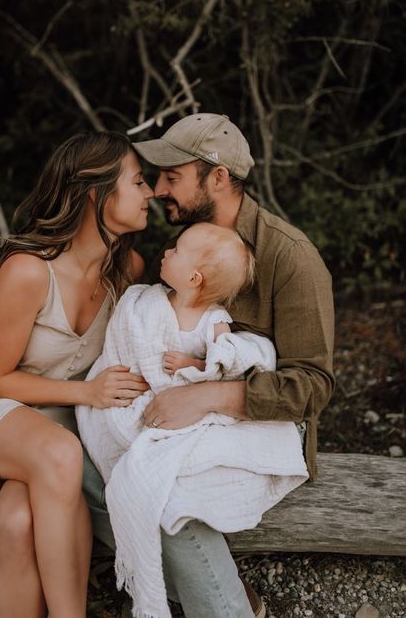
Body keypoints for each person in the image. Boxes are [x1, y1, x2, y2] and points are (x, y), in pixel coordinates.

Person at [83, 113, 335, 618]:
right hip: (170, 411)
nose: (157, 189)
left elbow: (313, 386)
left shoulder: (291, 258)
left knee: (164, 490)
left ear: (217, 178)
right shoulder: (184, 243)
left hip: (255, 425)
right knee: (84, 461)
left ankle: (229, 610)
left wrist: (205, 396)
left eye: (172, 177)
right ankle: (211, 592)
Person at [0, 131, 153, 618]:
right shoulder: (30, 270)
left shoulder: (127, 271)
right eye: (138, 182)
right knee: (58, 452)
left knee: (14, 521)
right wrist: (89, 392)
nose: (151, 193)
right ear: (96, 194)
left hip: (56, 417)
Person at [76, 222, 307, 618]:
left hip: (195, 412)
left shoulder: (213, 317)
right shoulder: (145, 302)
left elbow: (222, 360)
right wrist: (130, 374)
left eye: (176, 250)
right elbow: (129, 345)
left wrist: (194, 369)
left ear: (194, 277)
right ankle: (192, 587)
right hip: (144, 403)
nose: (166, 252)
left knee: (163, 487)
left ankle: (218, 601)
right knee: (112, 465)